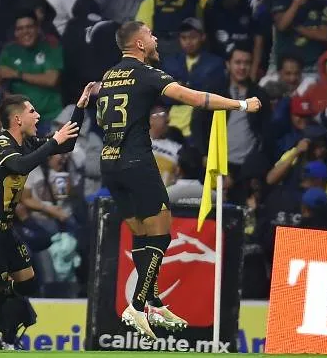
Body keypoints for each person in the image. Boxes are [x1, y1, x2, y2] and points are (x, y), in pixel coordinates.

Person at [98, 20, 261, 339]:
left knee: (143, 234)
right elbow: (195, 98)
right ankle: (138, 304)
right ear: (139, 44)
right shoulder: (146, 74)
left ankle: (152, 302)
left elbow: (103, 118)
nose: (156, 37)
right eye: (149, 34)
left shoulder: (109, 75)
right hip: (136, 162)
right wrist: (242, 104)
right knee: (160, 236)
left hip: (109, 162)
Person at [0, 89, 88, 348]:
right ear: (18, 119)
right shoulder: (1, 143)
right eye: (32, 111)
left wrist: (80, 106)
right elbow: (21, 166)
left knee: (28, 283)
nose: (38, 115)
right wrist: (53, 141)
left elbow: (68, 144)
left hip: (4, 229)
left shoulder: (25, 143)